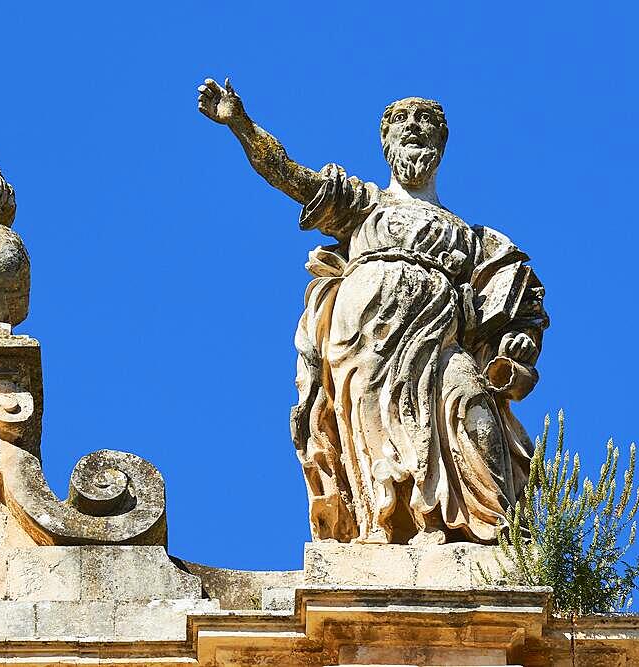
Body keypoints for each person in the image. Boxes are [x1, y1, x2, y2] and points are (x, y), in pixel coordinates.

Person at [198, 78, 548, 545]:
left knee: (471, 404)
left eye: (426, 121)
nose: (413, 127)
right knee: (370, 432)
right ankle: (382, 528)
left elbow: (519, 307)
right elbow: (289, 175)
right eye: (401, 121)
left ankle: (490, 534)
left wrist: (517, 345)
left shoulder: (475, 238)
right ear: (385, 141)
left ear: (442, 141)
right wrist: (241, 125)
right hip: (364, 338)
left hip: (441, 336)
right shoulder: (363, 206)